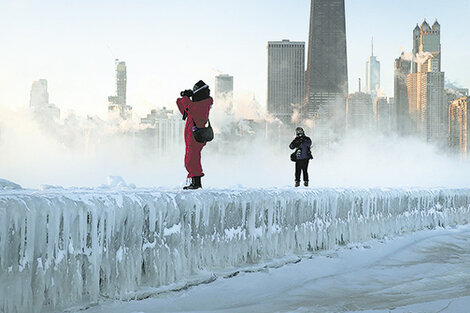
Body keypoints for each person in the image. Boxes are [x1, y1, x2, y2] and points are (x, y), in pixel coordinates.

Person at [176, 80, 213, 190]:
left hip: (196, 136)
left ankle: (196, 183)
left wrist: (186, 97)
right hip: (192, 136)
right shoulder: (197, 104)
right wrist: (183, 97)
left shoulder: (203, 105)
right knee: (190, 158)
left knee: (193, 159)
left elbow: (190, 108)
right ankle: (194, 181)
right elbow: (184, 109)